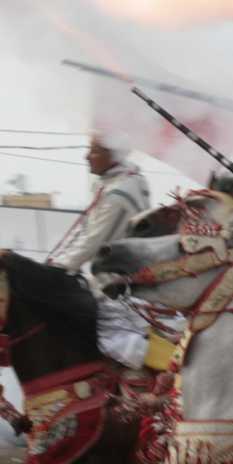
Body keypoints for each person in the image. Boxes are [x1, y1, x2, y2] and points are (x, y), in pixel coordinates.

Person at [51, 131, 160, 370]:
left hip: (122, 290)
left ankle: (171, 367)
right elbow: (85, 231)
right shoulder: (113, 182)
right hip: (112, 285)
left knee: (101, 336)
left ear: (113, 156)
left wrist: (56, 271)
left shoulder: (119, 193)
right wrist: (54, 264)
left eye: (94, 151)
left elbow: (93, 242)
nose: (87, 156)